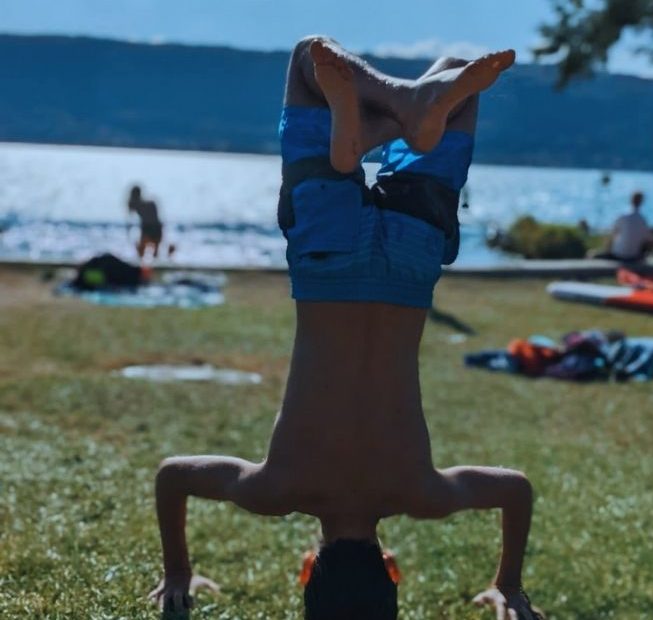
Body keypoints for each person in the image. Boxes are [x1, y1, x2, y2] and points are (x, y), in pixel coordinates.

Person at [148, 36, 544, 619]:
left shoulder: (422, 492)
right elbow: (171, 477)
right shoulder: (274, 488)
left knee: (457, 76)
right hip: (326, 260)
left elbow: (516, 490)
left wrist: (509, 585)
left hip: (411, 263)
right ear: (309, 570)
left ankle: (408, 113)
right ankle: (388, 118)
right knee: (310, 61)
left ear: (391, 571)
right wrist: (177, 572)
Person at [590, 191, 653, 261]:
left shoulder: (623, 216)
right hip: (634, 257)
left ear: (631, 200)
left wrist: (607, 249)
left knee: (591, 254)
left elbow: (612, 235)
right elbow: (651, 240)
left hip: (618, 255)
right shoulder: (643, 221)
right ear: (641, 202)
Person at [127, 184, 164, 260]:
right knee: (154, 253)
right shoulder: (150, 203)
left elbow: (130, 212)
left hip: (149, 227)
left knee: (142, 251)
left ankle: (144, 268)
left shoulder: (138, 203)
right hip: (156, 227)